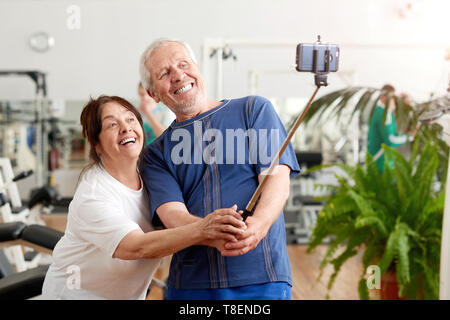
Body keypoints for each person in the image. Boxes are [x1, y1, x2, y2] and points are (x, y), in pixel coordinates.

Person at [138, 38, 300, 300]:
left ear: (197, 68)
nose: (178, 75)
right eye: (165, 73)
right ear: (153, 94)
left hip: (262, 278)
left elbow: (277, 181)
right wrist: (212, 232)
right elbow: (173, 215)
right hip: (191, 286)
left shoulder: (253, 110)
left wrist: (257, 225)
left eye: (183, 64)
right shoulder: (155, 155)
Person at [41, 95, 246, 300]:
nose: (125, 127)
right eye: (112, 124)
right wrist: (204, 229)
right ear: (97, 145)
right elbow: (137, 246)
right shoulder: (93, 195)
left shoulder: (151, 174)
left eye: (130, 119)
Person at [367, 84, 414, 172]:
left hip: (386, 160)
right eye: (392, 98)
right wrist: (409, 136)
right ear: (384, 97)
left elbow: (391, 133)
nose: (394, 101)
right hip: (380, 161)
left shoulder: (388, 113)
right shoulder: (383, 114)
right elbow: (390, 140)